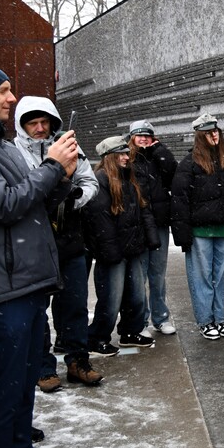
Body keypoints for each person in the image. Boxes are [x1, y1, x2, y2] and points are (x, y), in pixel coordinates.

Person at [0, 68, 79, 448]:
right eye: (3, 91)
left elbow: (33, 204)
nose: (11, 99)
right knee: (5, 397)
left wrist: (61, 179)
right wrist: (51, 167)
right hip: (5, 294)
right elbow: (5, 205)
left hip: (28, 286)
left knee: (21, 393)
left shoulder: (5, 149)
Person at [12, 96, 103, 390]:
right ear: (22, 125)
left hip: (70, 239)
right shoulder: (13, 153)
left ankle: (78, 361)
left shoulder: (69, 145)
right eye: (33, 123)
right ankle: (42, 367)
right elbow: (20, 194)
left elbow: (89, 182)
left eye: (44, 122)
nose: (40, 128)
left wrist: (75, 199)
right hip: (34, 243)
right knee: (38, 308)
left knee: (75, 304)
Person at [172, 113, 224, 340]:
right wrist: (182, 235)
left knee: (220, 277)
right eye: (209, 132)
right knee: (201, 277)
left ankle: (220, 318)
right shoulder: (189, 163)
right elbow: (180, 201)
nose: (214, 135)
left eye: (216, 130)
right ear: (200, 135)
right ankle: (205, 321)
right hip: (200, 231)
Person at [86, 136, 160, 356]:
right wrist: (111, 252)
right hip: (113, 252)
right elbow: (100, 220)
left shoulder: (130, 178)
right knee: (111, 298)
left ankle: (130, 332)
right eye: (121, 154)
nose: (127, 157)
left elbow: (143, 210)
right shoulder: (101, 179)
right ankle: (97, 338)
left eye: (126, 153)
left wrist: (151, 238)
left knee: (136, 296)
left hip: (133, 248)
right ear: (110, 157)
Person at [129, 119, 178, 335]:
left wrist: (159, 150)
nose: (143, 139)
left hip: (159, 223)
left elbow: (173, 172)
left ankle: (161, 318)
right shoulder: (127, 158)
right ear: (132, 137)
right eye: (139, 135)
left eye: (147, 135)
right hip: (138, 224)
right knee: (139, 275)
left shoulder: (158, 157)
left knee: (158, 273)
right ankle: (141, 321)